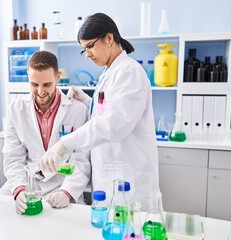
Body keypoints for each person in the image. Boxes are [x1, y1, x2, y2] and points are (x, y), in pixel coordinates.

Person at [40, 13, 160, 210]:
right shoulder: (109, 72)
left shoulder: (129, 72)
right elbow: (107, 112)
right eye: (83, 49)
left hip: (129, 178)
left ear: (109, 38)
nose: (87, 54)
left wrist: (63, 144)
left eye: (90, 46)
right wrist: (88, 101)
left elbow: (113, 124)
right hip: (109, 177)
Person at [1, 50, 91, 214]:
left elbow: (82, 160)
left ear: (58, 77)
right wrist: (19, 189)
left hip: (61, 183)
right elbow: (13, 157)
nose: (41, 91)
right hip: (28, 183)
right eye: (34, 85)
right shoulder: (15, 109)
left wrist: (67, 192)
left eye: (47, 84)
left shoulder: (77, 110)